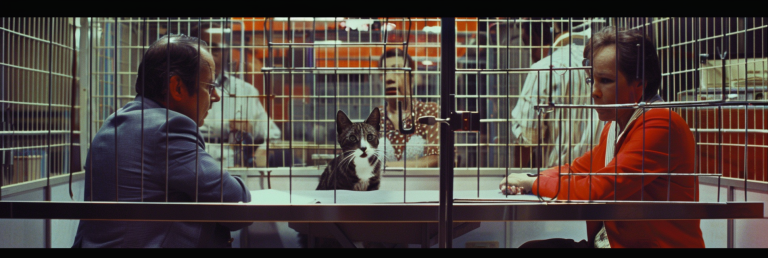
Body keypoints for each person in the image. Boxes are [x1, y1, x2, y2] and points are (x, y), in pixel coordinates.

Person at [499, 27, 705, 248]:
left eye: (605, 81)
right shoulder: (616, 126)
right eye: (591, 81)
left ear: (639, 85)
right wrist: (529, 178)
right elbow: (579, 168)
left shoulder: (661, 124)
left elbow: (599, 188)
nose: (594, 92)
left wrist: (534, 183)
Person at [72, 35, 252, 248]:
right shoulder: (169, 128)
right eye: (209, 85)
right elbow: (237, 204)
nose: (216, 96)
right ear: (176, 87)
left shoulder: (116, 121)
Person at [510, 17, 602, 168]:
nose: (531, 55)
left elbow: (527, 138)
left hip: (558, 180)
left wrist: (515, 175)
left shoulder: (543, 69)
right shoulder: (601, 63)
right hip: (602, 175)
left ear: (537, 38)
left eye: (529, 45)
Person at [199, 26, 281, 168]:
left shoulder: (246, 91)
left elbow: (273, 135)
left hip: (236, 170)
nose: (210, 55)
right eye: (204, 49)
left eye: (216, 49)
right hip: (196, 165)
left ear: (227, 52)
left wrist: (262, 150)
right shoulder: (182, 89)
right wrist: (227, 126)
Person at [376, 48, 440, 168]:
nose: (389, 78)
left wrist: (386, 167)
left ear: (411, 77)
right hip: (382, 186)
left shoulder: (430, 111)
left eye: (397, 69)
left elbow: (437, 158)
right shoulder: (376, 116)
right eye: (384, 72)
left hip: (421, 185)